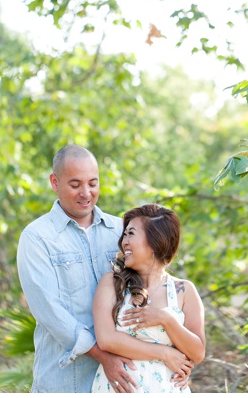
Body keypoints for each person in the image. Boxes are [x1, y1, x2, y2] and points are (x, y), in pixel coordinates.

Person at [17, 145, 191, 392]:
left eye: (93, 183)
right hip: (66, 379)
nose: (86, 193)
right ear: (54, 182)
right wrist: (104, 356)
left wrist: (178, 357)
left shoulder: (120, 230)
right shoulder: (37, 237)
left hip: (129, 379)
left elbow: (155, 281)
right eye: (75, 185)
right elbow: (49, 312)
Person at [91, 203, 206, 393]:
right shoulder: (112, 283)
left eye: (131, 234)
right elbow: (106, 339)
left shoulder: (183, 290)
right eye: (125, 234)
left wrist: (166, 319)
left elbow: (198, 352)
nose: (124, 242)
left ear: (155, 242)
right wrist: (164, 353)